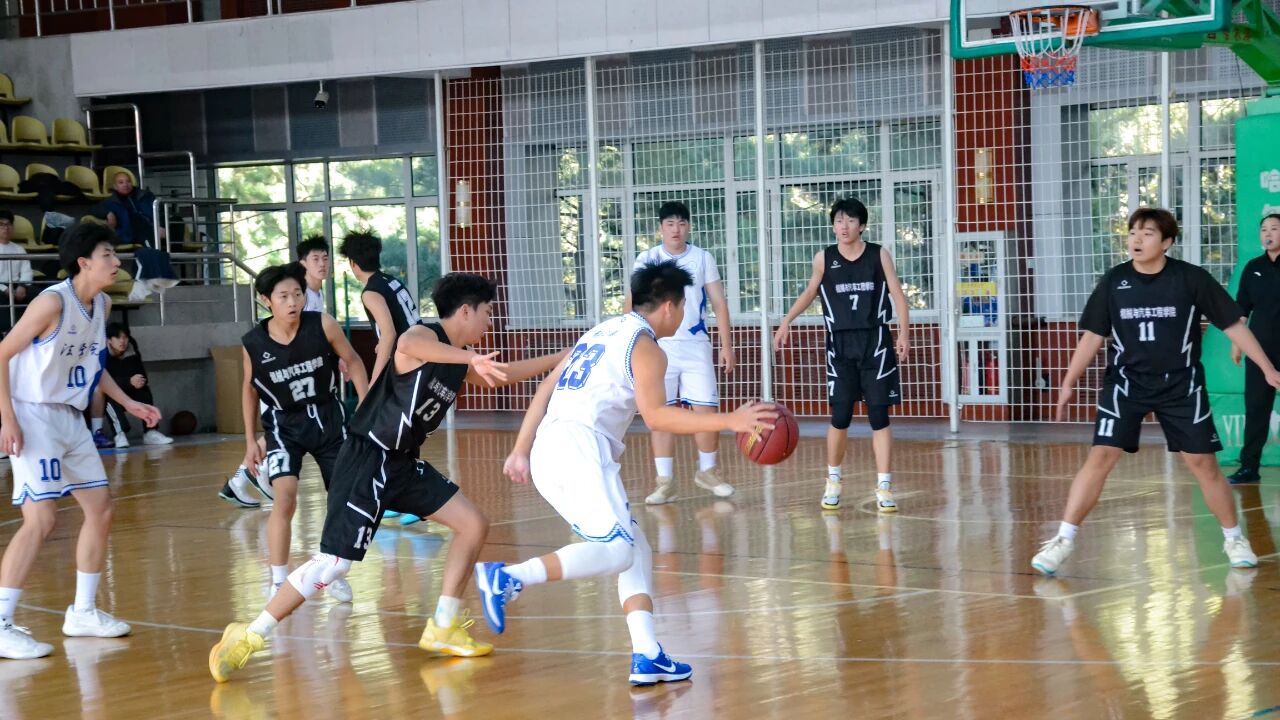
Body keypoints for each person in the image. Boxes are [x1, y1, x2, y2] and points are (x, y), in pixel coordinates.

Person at [209, 273, 567, 683]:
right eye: (487, 312)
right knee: (334, 564)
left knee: (473, 524)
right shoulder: (424, 336)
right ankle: (249, 635)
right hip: (367, 458)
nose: (490, 321)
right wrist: (470, 360)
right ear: (466, 311)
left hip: (401, 463)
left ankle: (443, 626)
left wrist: (564, 357)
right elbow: (408, 344)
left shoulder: (459, 359)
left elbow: (505, 374)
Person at [475, 260, 775, 685]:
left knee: (636, 546)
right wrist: (730, 420)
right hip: (579, 448)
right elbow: (657, 417)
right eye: (685, 306)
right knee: (618, 550)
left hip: (552, 447)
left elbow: (544, 388)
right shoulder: (647, 347)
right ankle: (508, 577)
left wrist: (521, 450)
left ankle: (647, 653)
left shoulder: (599, 331)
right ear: (670, 306)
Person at [1032, 208, 1280, 575]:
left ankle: (1234, 538)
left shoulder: (1190, 279)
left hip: (1180, 385)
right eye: (1133, 232)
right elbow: (1093, 336)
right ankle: (1063, 540)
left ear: (1167, 243)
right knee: (1101, 455)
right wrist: (1069, 381)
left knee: (1203, 463)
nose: (1136, 239)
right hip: (1126, 383)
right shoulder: (1115, 281)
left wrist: (1267, 367)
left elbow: (1233, 325)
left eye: (1147, 233)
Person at [0, 222, 161, 660]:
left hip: (69, 416)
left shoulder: (102, 304)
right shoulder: (52, 302)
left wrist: (128, 402)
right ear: (84, 262)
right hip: (33, 414)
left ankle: (84, 612)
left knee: (101, 508)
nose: (116, 261)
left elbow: (93, 365)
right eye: (108, 254)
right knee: (41, 519)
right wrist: (8, 419)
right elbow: (2, 354)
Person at [233, 263, 370, 601]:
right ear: (266, 301)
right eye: (283, 296)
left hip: (328, 419)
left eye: (298, 294)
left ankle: (331, 571)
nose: (293, 301)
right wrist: (250, 440)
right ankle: (279, 582)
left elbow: (353, 361)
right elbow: (249, 389)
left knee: (341, 499)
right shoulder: (253, 342)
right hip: (284, 426)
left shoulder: (323, 324)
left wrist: (367, 409)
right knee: (285, 496)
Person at [772, 197, 910, 512]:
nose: (844, 226)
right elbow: (810, 292)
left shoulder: (878, 254)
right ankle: (833, 480)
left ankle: (884, 485)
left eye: (850, 220)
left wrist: (903, 333)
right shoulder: (824, 258)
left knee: (879, 416)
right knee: (840, 416)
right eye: (838, 221)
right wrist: (786, 321)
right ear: (833, 226)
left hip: (876, 341)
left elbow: (898, 294)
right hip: (840, 344)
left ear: (862, 226)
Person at [628, 201, 737, 505]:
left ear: (688, 227)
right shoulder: (647, 258)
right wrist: (632, 343)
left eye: (681, 223)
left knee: (706, 410)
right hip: (657, 346)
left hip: (695, 344)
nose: (676, 229)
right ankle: (664, 482)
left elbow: (719, 304)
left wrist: (727, 346)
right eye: (670, 223)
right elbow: (633, 302)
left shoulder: (702, 258)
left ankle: (708, 471)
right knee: (659, 413)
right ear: (660, 228)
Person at [340, 230, 431, 526]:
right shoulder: (391, 280)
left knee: (392, 430)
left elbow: (390, 333)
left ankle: (417, 497)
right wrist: (383, 343)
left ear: (353, 263)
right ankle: (399, 496)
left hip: (408, 363)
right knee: (398, 431)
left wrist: (374, 382)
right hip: (420, 354)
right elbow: (399, 326)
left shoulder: (370, 292)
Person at [1227, 213, 1280, 485]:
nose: (1268, 233)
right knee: (1256, 409)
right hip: (1260, 350)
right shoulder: (1253, 268)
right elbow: (1242, 310)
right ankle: (1249, 468)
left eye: (1274, 228)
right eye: (1264, 229)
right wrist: (1237, 343)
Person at [88, 323, 173, 449]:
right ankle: (119, 434)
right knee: (110, 395)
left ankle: (151, 431)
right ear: (109, 340)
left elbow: (142, 372)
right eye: (118, 337)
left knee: (143, 390)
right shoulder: (101, 351)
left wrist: (139, 381)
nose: (122, 341)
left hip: (129, 388)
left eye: (125, 337)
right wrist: (128, 381)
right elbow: (102, 381)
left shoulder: (131, 348)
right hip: (109, 392)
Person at [102, 172, 161, 248]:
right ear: (115, 186)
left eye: (128, 181)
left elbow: (160, 212)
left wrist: (160, 226)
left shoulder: (145, 196)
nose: (125, 185)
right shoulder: (110, 202)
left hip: (153, 230)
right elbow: (93, 210)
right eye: (121, 182)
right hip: (129, 236)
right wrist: (107, 212)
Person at [0, 211, 33, 334]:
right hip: (1, 288)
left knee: (41, 295)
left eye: (8, 224)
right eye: (1, 224)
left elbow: (26, 271)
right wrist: (5, 289)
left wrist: (22, 286)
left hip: (16, 286)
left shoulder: (19, 249)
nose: (5, 228)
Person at [297, 234, 330, 313]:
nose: (322, 264)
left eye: (325, 259)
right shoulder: (301, 294)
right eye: (315, 259)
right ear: (303, 264)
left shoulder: (319, 292)